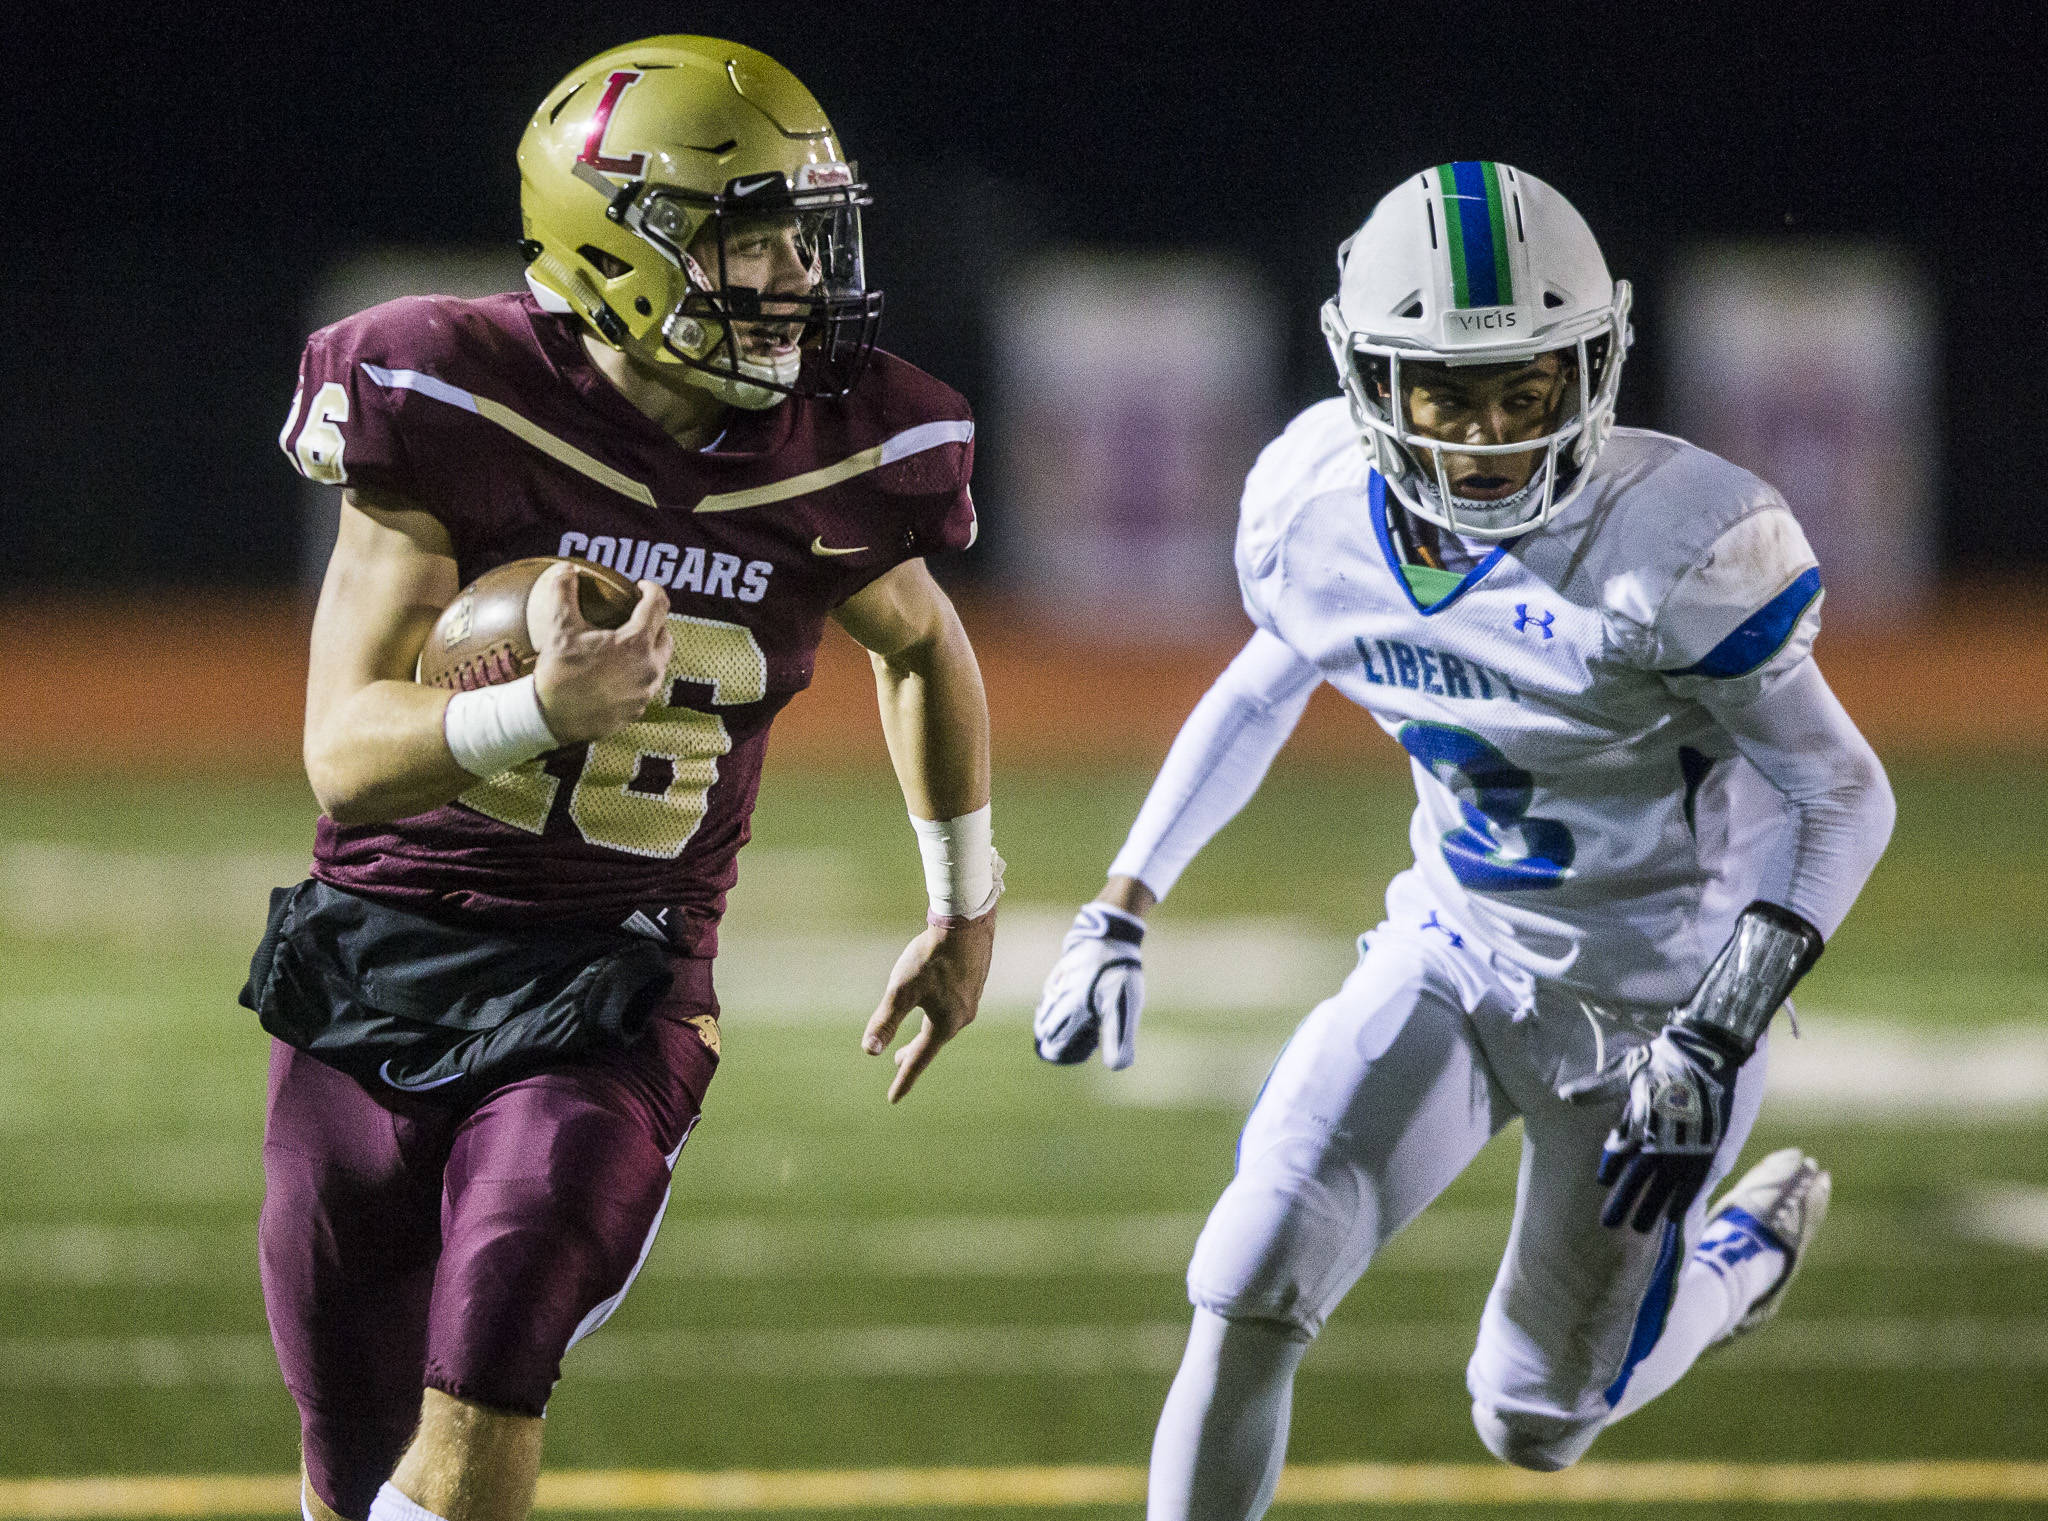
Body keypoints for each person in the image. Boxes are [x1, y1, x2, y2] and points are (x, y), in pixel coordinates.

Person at [1034, 161, 1895, 1516]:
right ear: (1371, 378)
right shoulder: (1317, 506)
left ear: (1591, 369)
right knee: (1252, 1263)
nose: (1487, 436)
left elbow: (1847, 794)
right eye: (1445, 392)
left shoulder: (1674, 543)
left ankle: (1730, 1268)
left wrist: (1716, 1033)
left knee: (1533, 1416)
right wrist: (1120, 904)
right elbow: (1270, 674)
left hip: (1651, 1019)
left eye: (1526, 391)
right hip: (1453, 952)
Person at [263, 37, 1000, 1521]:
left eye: (808, 233)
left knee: (489, 1373)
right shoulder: (446, 388)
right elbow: (343, 757)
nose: (796, 275)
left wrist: (963, 899)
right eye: (751, 237)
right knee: (351, 1463)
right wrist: (537, 706)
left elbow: (920, 645)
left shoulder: (844, 446)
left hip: (618, 983)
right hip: (380, 955)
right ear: (619, 246)